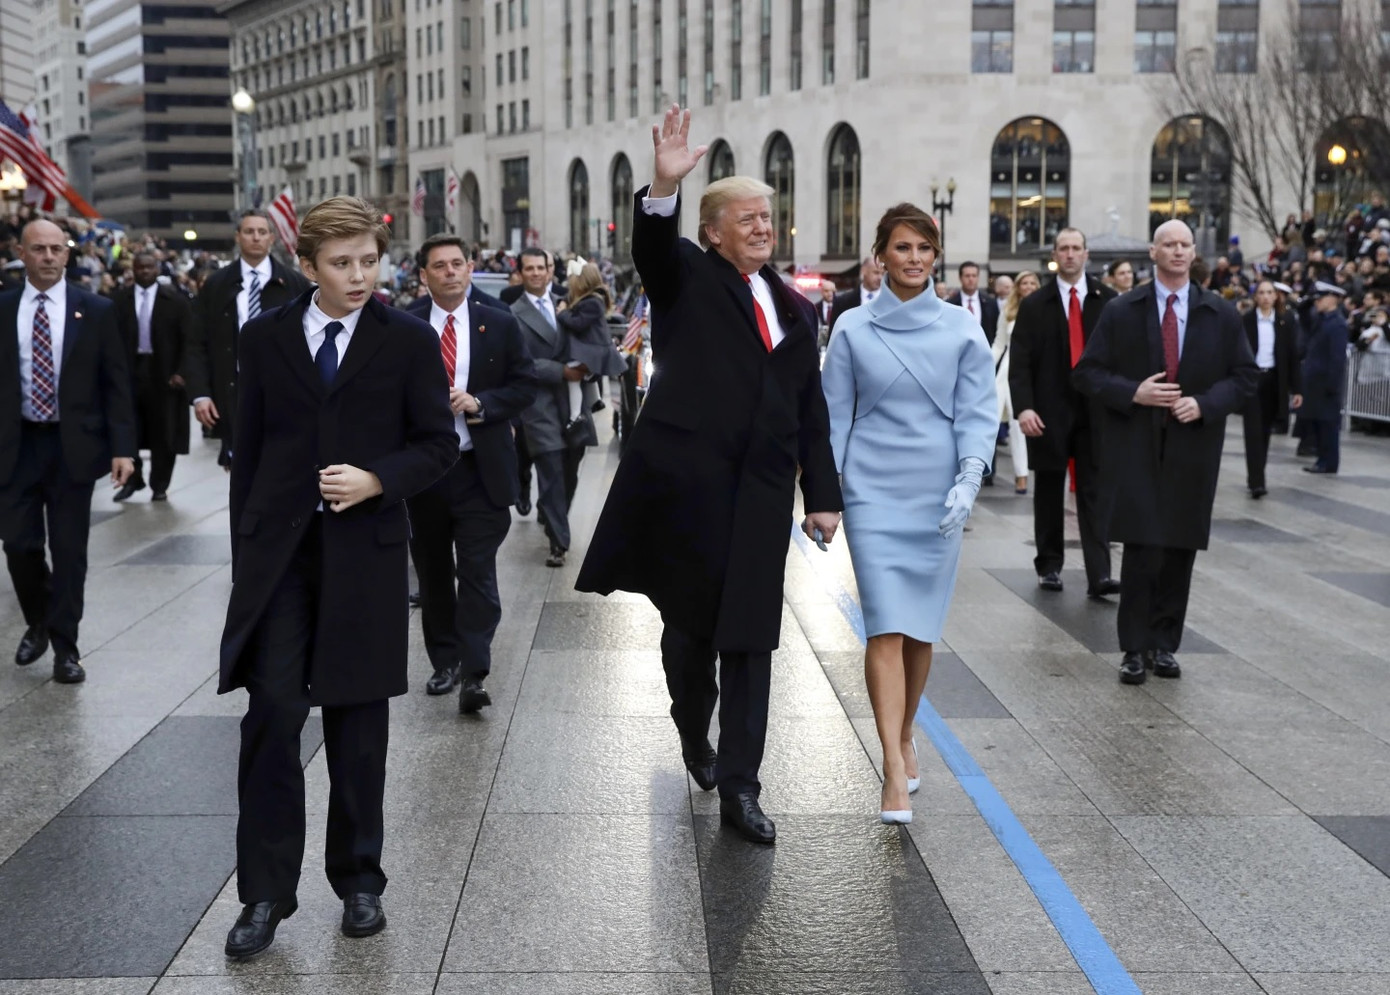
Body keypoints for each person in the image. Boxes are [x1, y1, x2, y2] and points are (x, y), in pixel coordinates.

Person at [575, 106, 843, 845]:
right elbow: (654, 247)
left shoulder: (794, 306)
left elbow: (807, 404)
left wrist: (822, 495)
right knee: (691, 635)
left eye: (768, 218)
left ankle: (742, 785)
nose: (762, 228)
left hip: (759, 498)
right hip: (688, 493)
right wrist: (661, 184)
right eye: (747, 219)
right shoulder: (686, 276)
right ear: (713, 231)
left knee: (752, 639)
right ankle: (693, 727)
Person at [217, 198, 458, 959]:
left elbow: (437, 444)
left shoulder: (409, 341)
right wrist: (246, 557)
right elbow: (246, 456)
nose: (360, 277)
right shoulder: (265, 338)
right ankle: (263, 892)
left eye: (369, 261)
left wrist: (378, 479)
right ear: (309, 265)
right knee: (273, 715)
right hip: (280, 559)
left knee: (358, 724)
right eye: (342, 263)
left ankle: (360, 880)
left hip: (366, 553)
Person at [821, 203, 997, 825]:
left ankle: (904, 732)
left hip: (938, 493)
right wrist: (825, 496)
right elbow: (834, 416)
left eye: (925, 247)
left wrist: (970, 478)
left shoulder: (960, 329)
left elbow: (980, 412)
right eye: (902, 247)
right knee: (885, 627)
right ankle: (892, 769)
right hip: (872, 491)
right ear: (880, 256)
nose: (914, 258)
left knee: (920, 630)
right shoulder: (850, 328)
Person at [1073, 220, 1257, 685]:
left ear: (1194, 253)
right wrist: (1134, 391)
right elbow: (1088, 373)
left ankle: (1164, 644)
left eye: (1184, 245)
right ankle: (1133, 647)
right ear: (1152, 252)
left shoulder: (1220, 313)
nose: (1177, 252)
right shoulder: (1122, 310)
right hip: (1136, 445)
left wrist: (1205, 403)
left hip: (1193, 447)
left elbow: (1245, 377)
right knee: (1141, 547)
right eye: (1168, 244)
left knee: (1179, 548)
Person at [404, 233, 537, 708]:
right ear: (424, 275)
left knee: (478, 573)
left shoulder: (496, 324)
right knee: (435, 572)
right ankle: (445, 662)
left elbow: (525, 385)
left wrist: (481, 403)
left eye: (457, 263)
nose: (450, 272)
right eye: (438, 266)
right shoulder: (406, 325)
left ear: (469, 267)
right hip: (426, 474)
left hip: (481, 469)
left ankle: (475, 673)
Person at [0, 220, 136, 685]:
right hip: (16, 446)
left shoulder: (94, 310)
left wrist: (124, 449)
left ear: (68, 253)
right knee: (18, 543)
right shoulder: (3, 309)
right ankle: (39, 618)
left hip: (72, 446)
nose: (49, 257)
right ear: (22, 252)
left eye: (58, 249)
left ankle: (65, 648)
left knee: (69, 551)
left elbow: (117, 382)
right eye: (39, 249)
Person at [1008, 229, 1119, 598]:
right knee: (1050, 492)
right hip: (1049, 411)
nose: (1070, 255)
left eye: (1076, 248)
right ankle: (1050, 566)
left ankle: (1099, 573)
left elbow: (1123, 359)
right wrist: (1023, 407)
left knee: (1094, 492)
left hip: (1096, 412)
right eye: (1064, 249)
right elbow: (1020, 362)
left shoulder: (1108, 301)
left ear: (1086, 254)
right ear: (1055, 255)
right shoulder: (1036, 304)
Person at [184, 210, 310, 468]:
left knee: (278, 464)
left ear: (271, 238)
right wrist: (200, 394)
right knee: (240, 465)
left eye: (262, 232)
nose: (256, 238)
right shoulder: (217, 284)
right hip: (233, 388)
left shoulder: (294, 284)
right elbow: (196, 342)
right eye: (249, 232)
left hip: (281, 391)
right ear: (237, 237)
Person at [511, 247, 588, 567]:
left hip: (572, 400)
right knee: (553, 468)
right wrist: (560, 371)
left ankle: (549, 510)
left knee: (571, 467)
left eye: (540, 267)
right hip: (539, 404)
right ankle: (559, 541)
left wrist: (590, 363)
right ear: (520, 274)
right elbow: (519, 362)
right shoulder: (513, 313)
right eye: (529, 269)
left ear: (549, 270)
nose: (536, 273)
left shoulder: (571, 303)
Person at [112, 250, 192, 501]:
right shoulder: (120, 300)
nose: (144, 271)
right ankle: (132, 479)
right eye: (140, 267)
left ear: (157, 269)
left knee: (164, 432)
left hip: (165, 374)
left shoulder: (176, 300)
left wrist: (182, 372)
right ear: (132, 269)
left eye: (149, 267)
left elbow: (190, 340)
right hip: (130, 371)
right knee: (129, 427)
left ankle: (160, 484)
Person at [1241, 279, 1303, 497]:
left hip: (1273, 381)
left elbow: (1293, 356)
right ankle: (1256, 481)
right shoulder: (1246, 320)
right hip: (1252, 380)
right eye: (1261, 292)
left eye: (1269, 292)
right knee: (1253, 431)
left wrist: (1297, 389)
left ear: (1276, 296)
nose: (1266, 296)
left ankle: (1258, 474)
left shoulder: (1285, 321)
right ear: (1255, 296)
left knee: (1265, 431)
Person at [557, 261, 626, 443]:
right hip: (591, 349)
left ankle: (575, 415)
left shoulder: (593, 302)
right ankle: (593, 400)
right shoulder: (592, 299)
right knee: (583, 377)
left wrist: (563, 312)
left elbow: (577, 323)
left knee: (574, 375)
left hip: (594, 350)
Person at [993, 270, 1041, 494]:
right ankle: (1018, 474)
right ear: (1018, 287)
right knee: (1011, 422)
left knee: (1030, 423)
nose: (1029, 286)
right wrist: (983, 369)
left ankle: (1029, 472)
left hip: (1039, 369)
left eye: (1033, 283)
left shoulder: (1045, 309)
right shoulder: (1008, 310)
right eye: (1025, 283)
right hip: (1009, 370)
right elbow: (999, 343)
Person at [1299, 281, 1349, 475]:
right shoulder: (1321, 319)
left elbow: (1337, 358)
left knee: (1328, 425)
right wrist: (1308, 299)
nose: (1317, 302)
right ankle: (1322, 459)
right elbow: (1303, 316)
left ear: (1332, 299)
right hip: (1315, 382)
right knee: (1319, 423)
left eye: (1320, 298)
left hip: (1326, 382)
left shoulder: (1337, 324)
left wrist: (1332, 385)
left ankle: (1328, 462)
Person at [948, 261, 1001, 344]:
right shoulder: (950, 304)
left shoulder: (991, 303)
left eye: (974, 276)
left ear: (978, 277)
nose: (971, 279)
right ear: (960, 278)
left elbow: (996, 329)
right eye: (967, 276)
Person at [828, 256, 883, 330]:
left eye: (882, 274)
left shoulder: (891, 302)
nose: (880, 278)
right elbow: (834, 335)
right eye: (876, 272)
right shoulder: (842, 302)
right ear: (863, 271)